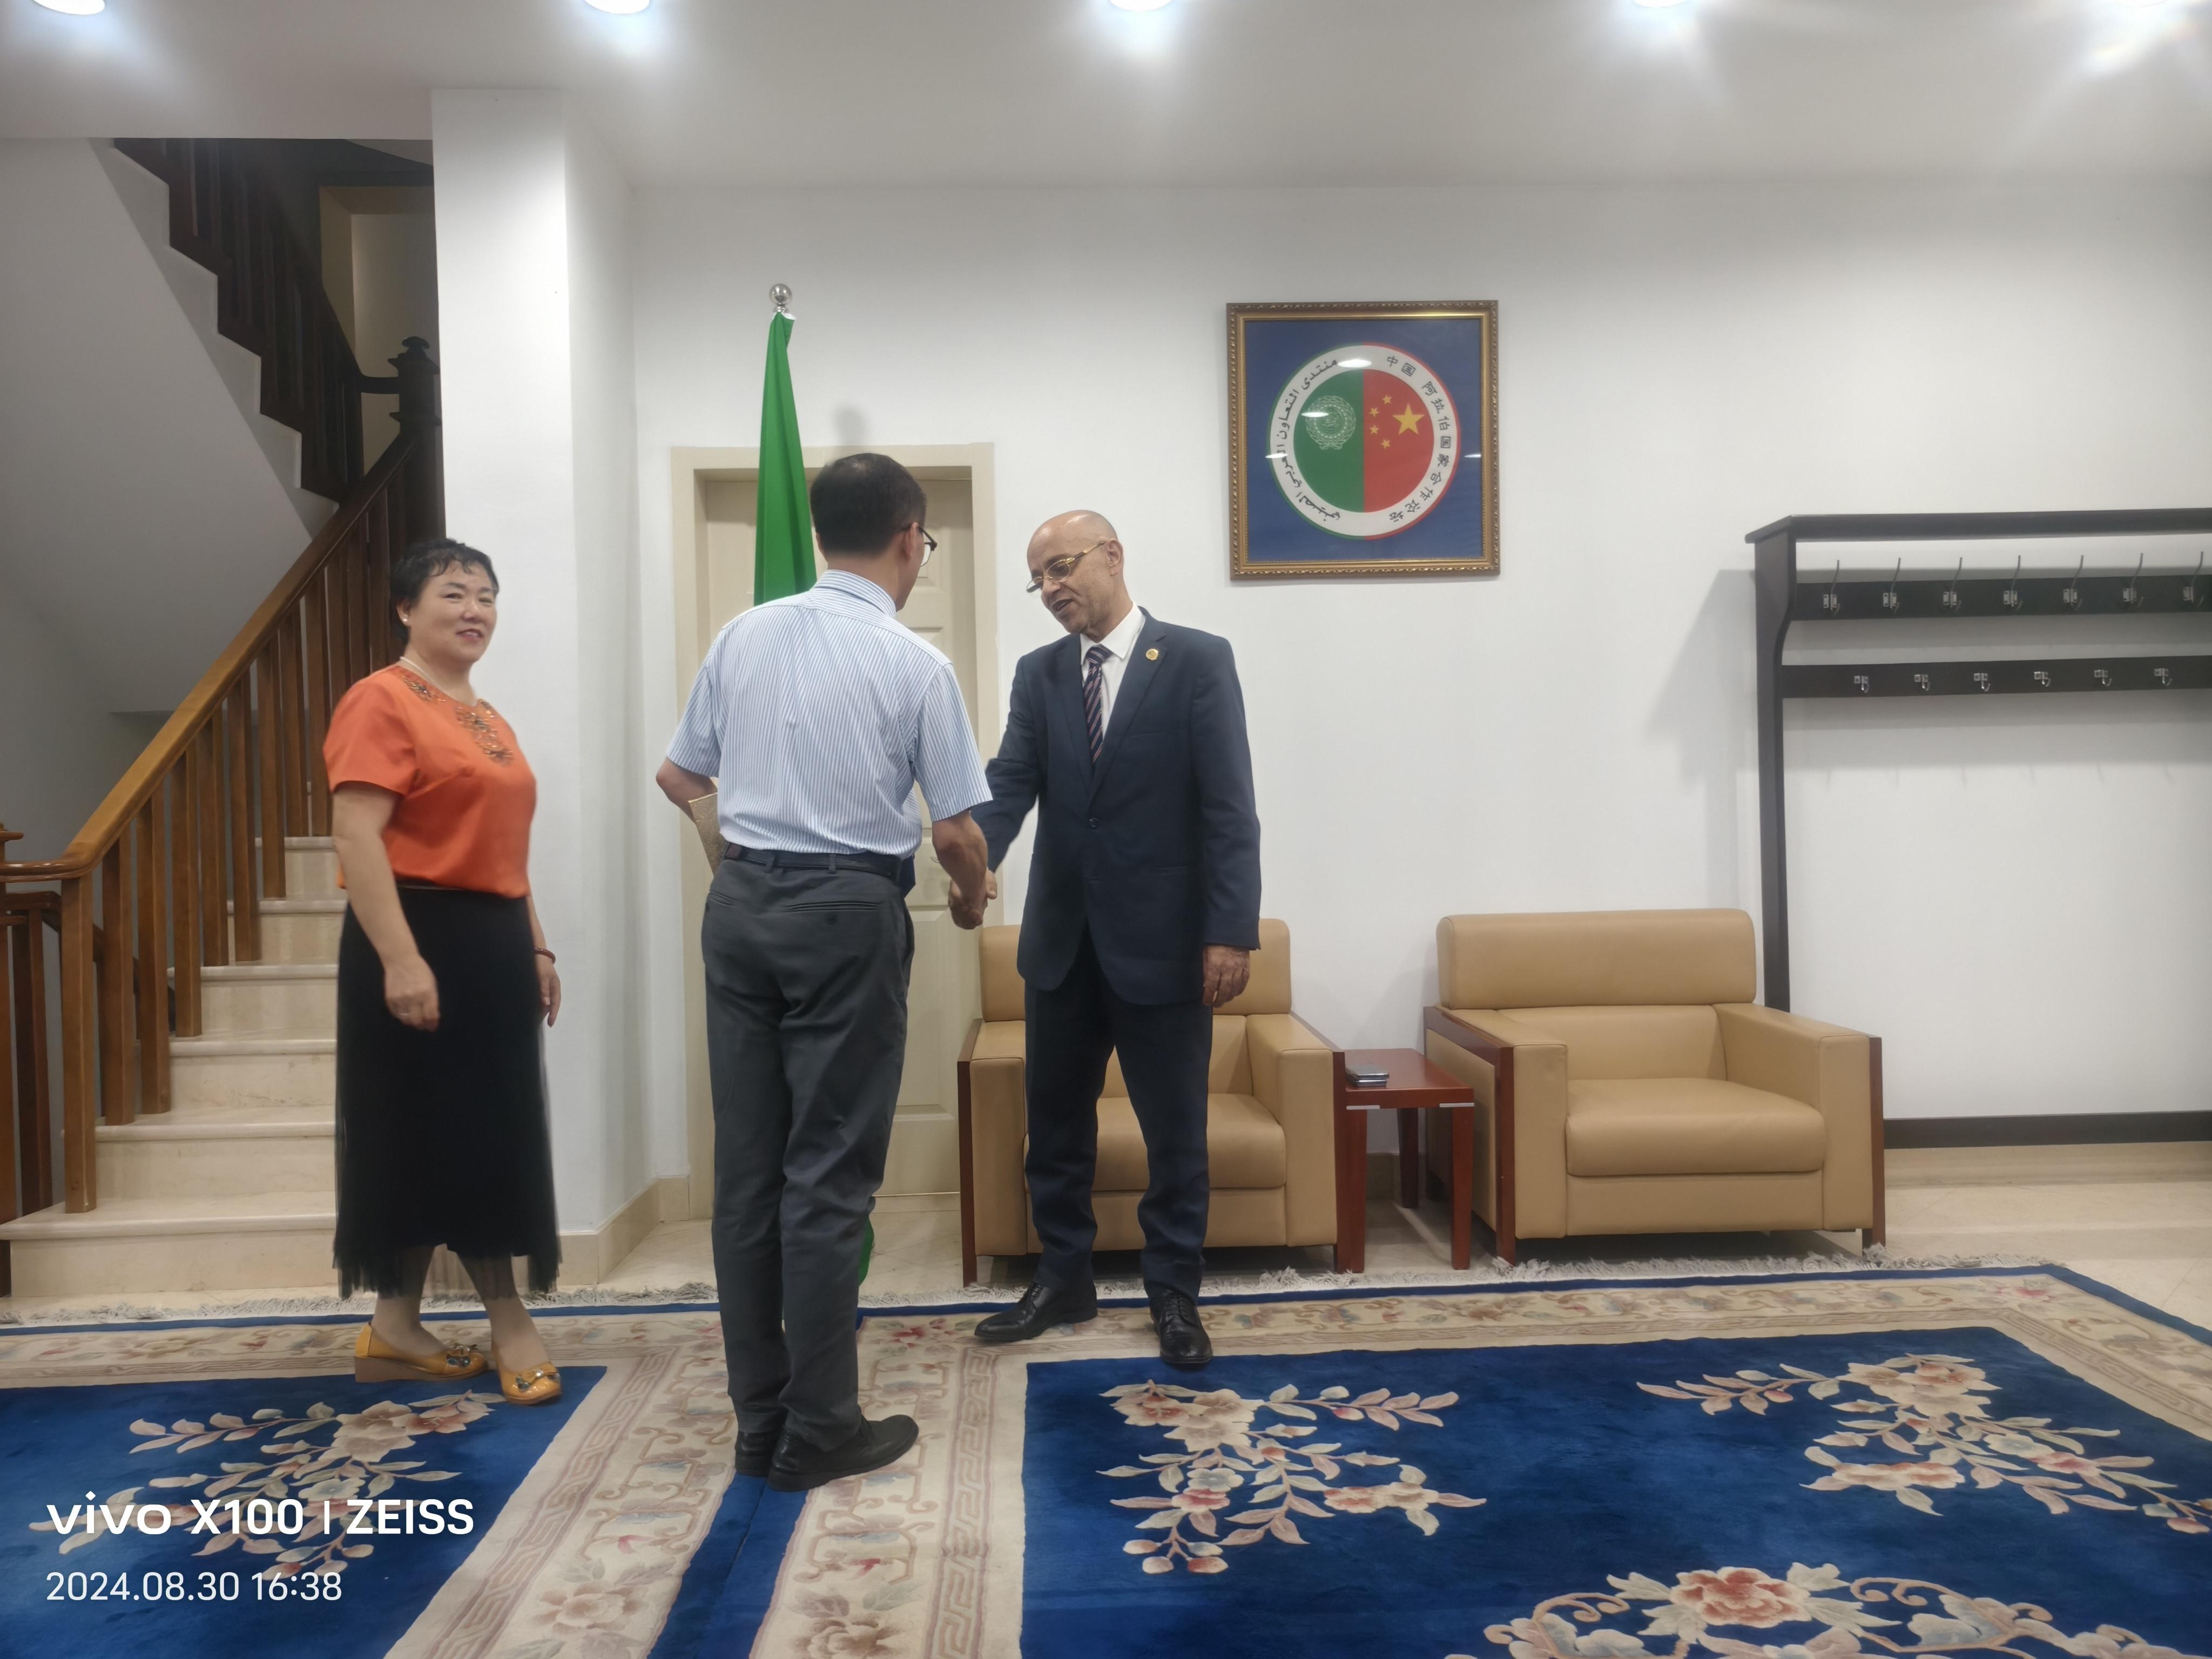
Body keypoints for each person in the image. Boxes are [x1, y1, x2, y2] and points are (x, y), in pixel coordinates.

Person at [656, 452, 993, 1492]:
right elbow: (956, 835)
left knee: (749, 1174)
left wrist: (742, 860)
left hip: (740, 911)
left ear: (819, 532)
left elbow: (678, 774)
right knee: (829, 1177)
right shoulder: (915, 664)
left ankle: (760, 1423)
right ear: (908, 539)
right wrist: (973, 898)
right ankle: (822, 1429)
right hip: (846, 917)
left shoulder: (742, 634)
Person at [970, 511, 1261, 1370]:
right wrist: (975, 860)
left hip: (1167, 946)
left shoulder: (1197, 660)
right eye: (1039, 578)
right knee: (1056, 1128)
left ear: (1113, 556)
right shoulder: (1041, 674)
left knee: (1175, 1132)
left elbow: (1229, 807)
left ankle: (1173, 1292)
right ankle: (1063, 1279)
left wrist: (1228, 931)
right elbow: (1011, 782)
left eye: (1062, 567)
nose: (1051, 588)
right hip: (1062, 946)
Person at [325, 536, 565, 1406]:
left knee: (480, 1128)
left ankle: (394, 1328)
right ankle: (509, 1322)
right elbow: (357, 835)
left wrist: (534, 945)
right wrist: (401, 960)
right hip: (415, 933)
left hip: (491, 939)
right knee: (430, 1132)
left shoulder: (487, 717)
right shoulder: (380, 700)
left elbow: (504, 849)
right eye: (454, 593)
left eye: (486, 596)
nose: (475, 611)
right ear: (405, 608)